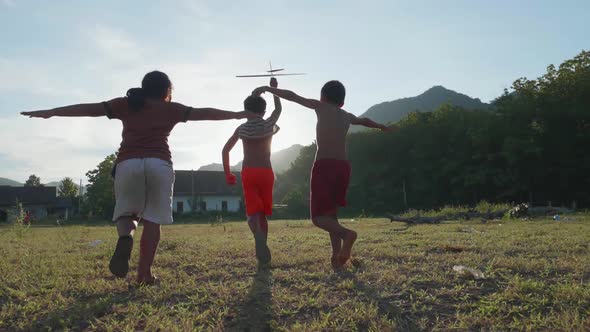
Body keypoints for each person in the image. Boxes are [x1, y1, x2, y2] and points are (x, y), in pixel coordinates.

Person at [22, 70, 258, 284]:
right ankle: (144, 274)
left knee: (127, 214)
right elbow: (204, 113)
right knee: (153, 220)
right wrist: (237, 114)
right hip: (160, 164)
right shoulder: (171, 109)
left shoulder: (126, 104)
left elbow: (89, 109)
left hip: (128, 163)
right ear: (167, 91)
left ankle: (126, 237)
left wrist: (52, 113)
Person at [252, 80, 392, 269]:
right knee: (331, 216)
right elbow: (365, 121)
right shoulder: (346, 115)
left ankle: (348, 235)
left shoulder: (320, 107)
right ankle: (336, 257)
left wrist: (270, 89)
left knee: (318, 218)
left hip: (324, 165)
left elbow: (293, 96)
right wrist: (382, 127)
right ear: (342, 102)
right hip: (343, 167)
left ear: (322, 97)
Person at [222, 77, 281, 269]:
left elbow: (225, 150)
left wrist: (228, 173)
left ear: (245, 110)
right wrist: (274, 89)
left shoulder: (242, 128)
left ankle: (257, 235)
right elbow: (278, 110)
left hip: (249, 172)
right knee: (263, 212)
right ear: (263, 111)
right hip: (267, 172)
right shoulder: (268, 124)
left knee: (252, 213)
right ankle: (262, 240)